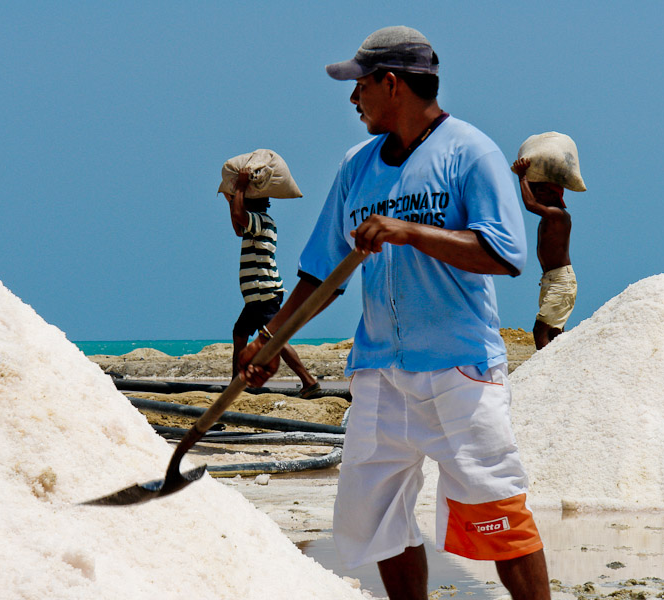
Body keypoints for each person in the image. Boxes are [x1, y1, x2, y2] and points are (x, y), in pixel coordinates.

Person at [238, 26, 551, 600]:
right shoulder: (357, 165)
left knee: (496, 513)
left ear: (391, 83)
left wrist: (408, 231)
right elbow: (320, 273)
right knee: (375, 521)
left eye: (359, 85)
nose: (352, 99)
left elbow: (505, 255)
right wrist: (271, 342)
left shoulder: (469, 152)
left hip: (459, 371)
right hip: (379, 371)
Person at [224, 168, 321, 399]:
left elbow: (240, 217)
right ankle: (236, 382)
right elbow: (238, 227)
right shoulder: (254, 223)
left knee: (274, 339)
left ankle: (308, 381)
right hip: (256, 296)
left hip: (263, 292)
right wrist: (232, 199)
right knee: (240, 333)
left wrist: (239, 187)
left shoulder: (261, 221)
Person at [511, 157, 576, 350]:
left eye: (541, 191)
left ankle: (543, 373)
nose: (537, 195)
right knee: (555, 333)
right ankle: (558, 372)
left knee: (541, 330)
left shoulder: (559, 215)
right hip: (550, 280)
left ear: (552, 195)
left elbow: (530, 205)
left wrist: (522, 177)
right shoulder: (550, 214)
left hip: (561, 282)